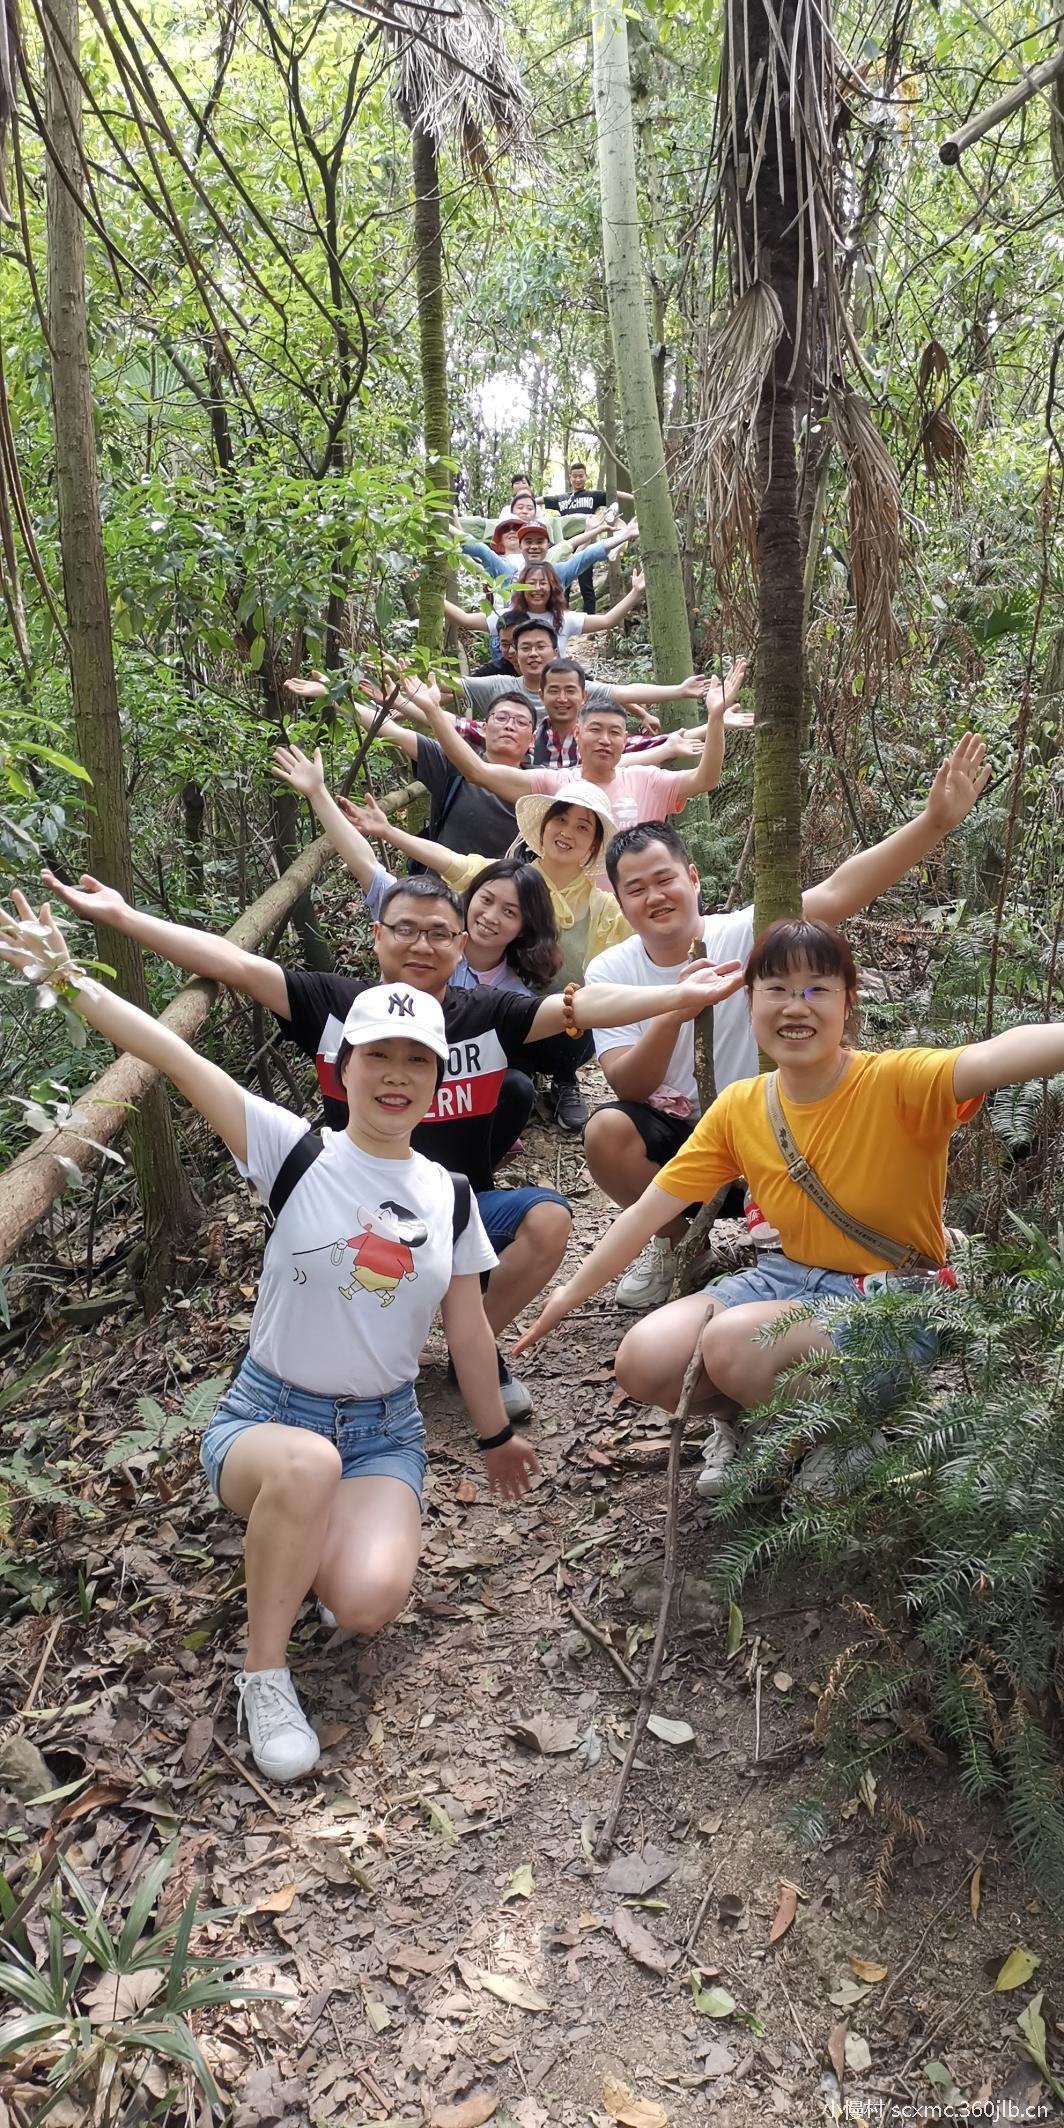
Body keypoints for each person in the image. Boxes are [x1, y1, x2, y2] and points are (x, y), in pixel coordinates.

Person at [0, 895, 539, 1784]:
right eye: (378, 1056)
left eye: (416, 1060)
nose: (396, 1075)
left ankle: (305, 1549)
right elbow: (171, 1054)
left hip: (384, 1432)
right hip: (267, 1418)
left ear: (439, 1079)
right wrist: (66, 976)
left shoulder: (449, 1195)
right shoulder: (295, 1149)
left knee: (365, 1603)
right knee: (306, 1467)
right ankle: (264, 1674)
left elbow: (470, 1328)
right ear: (345, 1065)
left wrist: (494, 1437)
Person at [39, 864, 742, 1420]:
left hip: (455, 1211)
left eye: (439, 933)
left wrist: (674, 998)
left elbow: (579, 1006)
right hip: (349, 1216)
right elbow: (233, 965)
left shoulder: (487, 1011)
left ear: (460, 945)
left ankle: (470, 1346)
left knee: (549, 1218)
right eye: (405, 929)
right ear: (378, 936)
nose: (421, 945)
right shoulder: (334, 1004)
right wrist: (122, 916)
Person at [514, 908, 1064, 1502]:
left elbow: (998, 1054)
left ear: (848, 1003)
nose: (794, 1007)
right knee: (643, 1359)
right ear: (749, 1002)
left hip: (890, 1300)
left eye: (816, 990)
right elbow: (648, 1210)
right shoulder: (742, 1106)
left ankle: (847, 1434)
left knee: (733, 1343)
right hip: (782, 1281)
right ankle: (755, 1425)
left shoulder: (898, 1082)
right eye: (775, 989)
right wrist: (565, 1298)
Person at [579, 732, 992, 1313]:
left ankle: (874, 1251)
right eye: (636, 889)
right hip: (691, 1146)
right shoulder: (610, 970)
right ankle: (677, 1246)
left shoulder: (746, 932)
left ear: (692, 878)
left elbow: (840, 890)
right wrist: (673, 1011)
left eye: (664, 878)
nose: (655, 896)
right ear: (621, 903)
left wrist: (934, 823)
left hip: (777, 1134)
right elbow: (628, 1084)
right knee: (606, 1133)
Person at [337, 778, 632, 1133]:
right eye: (560, 819)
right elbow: (444, 862)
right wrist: (385, 831)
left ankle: (559, 1078)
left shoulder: (602, 908)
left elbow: (634, 948)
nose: (567, 831)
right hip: (479, 1022)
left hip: (540, 1016)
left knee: (572, 1015)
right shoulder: (502, 880)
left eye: (583, 827)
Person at [272, 742, 560, 1000]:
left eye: (509, 912)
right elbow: (367, 866)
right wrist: (317, 793)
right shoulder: (425, 929)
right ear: (470, 897)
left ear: (525, 926)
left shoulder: (512, 998)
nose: (490, 916)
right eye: (486, 900)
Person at [400, 669, 736, 846]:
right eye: (595, 730)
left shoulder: (647, 779)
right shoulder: (555, 783)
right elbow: (477, 771)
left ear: (626, 740)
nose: (604, 739)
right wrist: (432, 710)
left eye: (614, 732)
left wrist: (716, 718)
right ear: (578, 734)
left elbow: (705, 779)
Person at [446, 564, 645, 663]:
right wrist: (433, 595)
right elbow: (465, 619)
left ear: (552, 588)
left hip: (557, 690)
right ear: (521, 587)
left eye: (543, 583)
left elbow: (607, 620)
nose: (537, 588)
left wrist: (635, 593)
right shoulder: (507, 617)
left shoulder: (563, 619)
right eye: (531, 583)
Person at [542, 461, 635, 613]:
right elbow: (543, 500)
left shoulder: (593, 496)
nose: (578, 479)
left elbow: (614, 494)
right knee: (563, 585)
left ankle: (589, 617)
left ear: (586, 477)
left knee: (586, 584)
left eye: (581, 476)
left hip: (587, 544)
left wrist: (636, 497)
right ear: (569, 478)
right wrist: (522, 500)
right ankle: (561, 616)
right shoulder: (562, 499)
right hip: (566, 546)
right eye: (574, 476)